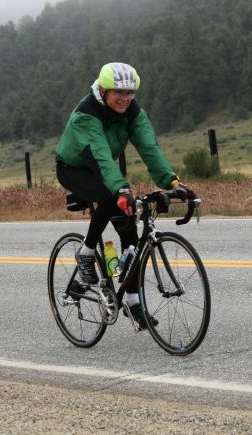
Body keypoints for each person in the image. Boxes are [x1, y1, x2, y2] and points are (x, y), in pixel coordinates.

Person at [55, 62, 195, 329]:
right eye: (119, 92)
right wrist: (121, 189)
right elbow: (99, 154)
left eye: (130, 93)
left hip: (104, 167)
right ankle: (86, 251)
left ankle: (132, 302)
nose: (125, 98)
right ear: (104, 90)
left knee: (130, 231)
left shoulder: (133, 112)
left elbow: (149, 148)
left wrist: (173, 182)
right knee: (111, 196)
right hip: (75, 168)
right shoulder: (87, 113)